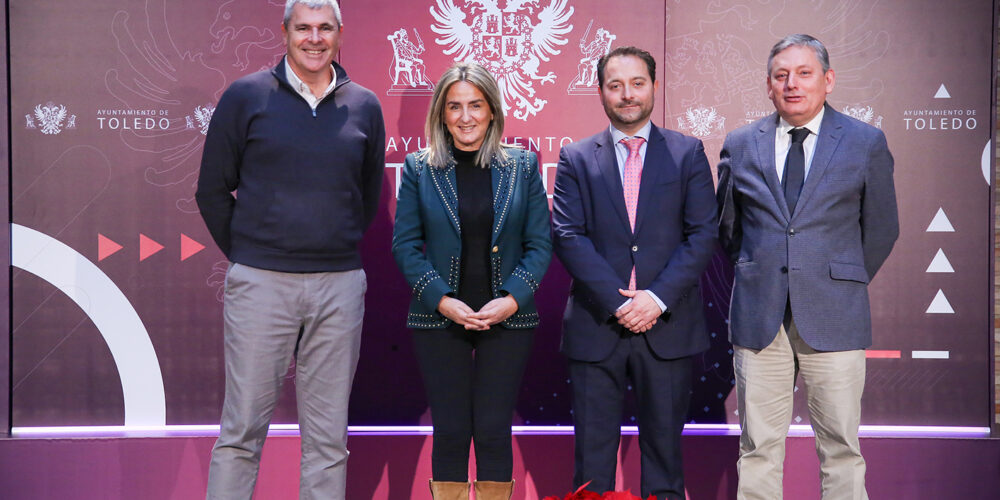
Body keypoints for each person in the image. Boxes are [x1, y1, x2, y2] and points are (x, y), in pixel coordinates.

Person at [195, 0, 385, 498]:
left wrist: (330, 244)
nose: (315, 38)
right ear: (284, 32)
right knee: (241, 435)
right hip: (261, 284)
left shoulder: (364, 105)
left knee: (328, 442)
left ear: (340, 34)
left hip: (339, 286)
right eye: (304, 28)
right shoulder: (245, 96)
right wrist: (253, 252)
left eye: (325, 28)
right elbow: (212, 189)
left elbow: (366, 196)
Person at [716, 34, 898, 500]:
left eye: (804, 73)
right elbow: (728, 230)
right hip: (760, 319)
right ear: (769, 85)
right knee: (757, 448)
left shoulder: (864, 142)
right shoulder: (740, 144)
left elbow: (881, 230)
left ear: (828, 80)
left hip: (835, 315)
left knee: (840, 447)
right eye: (781, 75)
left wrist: (838, 279)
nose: (792, 84)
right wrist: (763, 272)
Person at [551, 46, 717, 500]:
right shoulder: (577, 158)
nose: (627, 95)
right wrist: (621, 301)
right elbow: (567, 235)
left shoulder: (687, 153)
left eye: (637, 83)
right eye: (615, 85)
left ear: (654, 87)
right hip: (596, 325)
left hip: (667, 326)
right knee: (592, 465)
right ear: (601, 92)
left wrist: (654, 299)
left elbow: (702, 234)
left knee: (665, 464)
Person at [391, 62, 552, 500]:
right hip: (439, 318)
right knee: (451, 430)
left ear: (492, 111)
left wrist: (511, 299)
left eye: (475, 105)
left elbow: (540, 246)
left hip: (508, 318)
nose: (465, 116)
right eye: (455, 106)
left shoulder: (522, 166)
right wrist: (443, 300)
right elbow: (405, 246)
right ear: (441, 114)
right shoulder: (419, 169)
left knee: (494, 429)